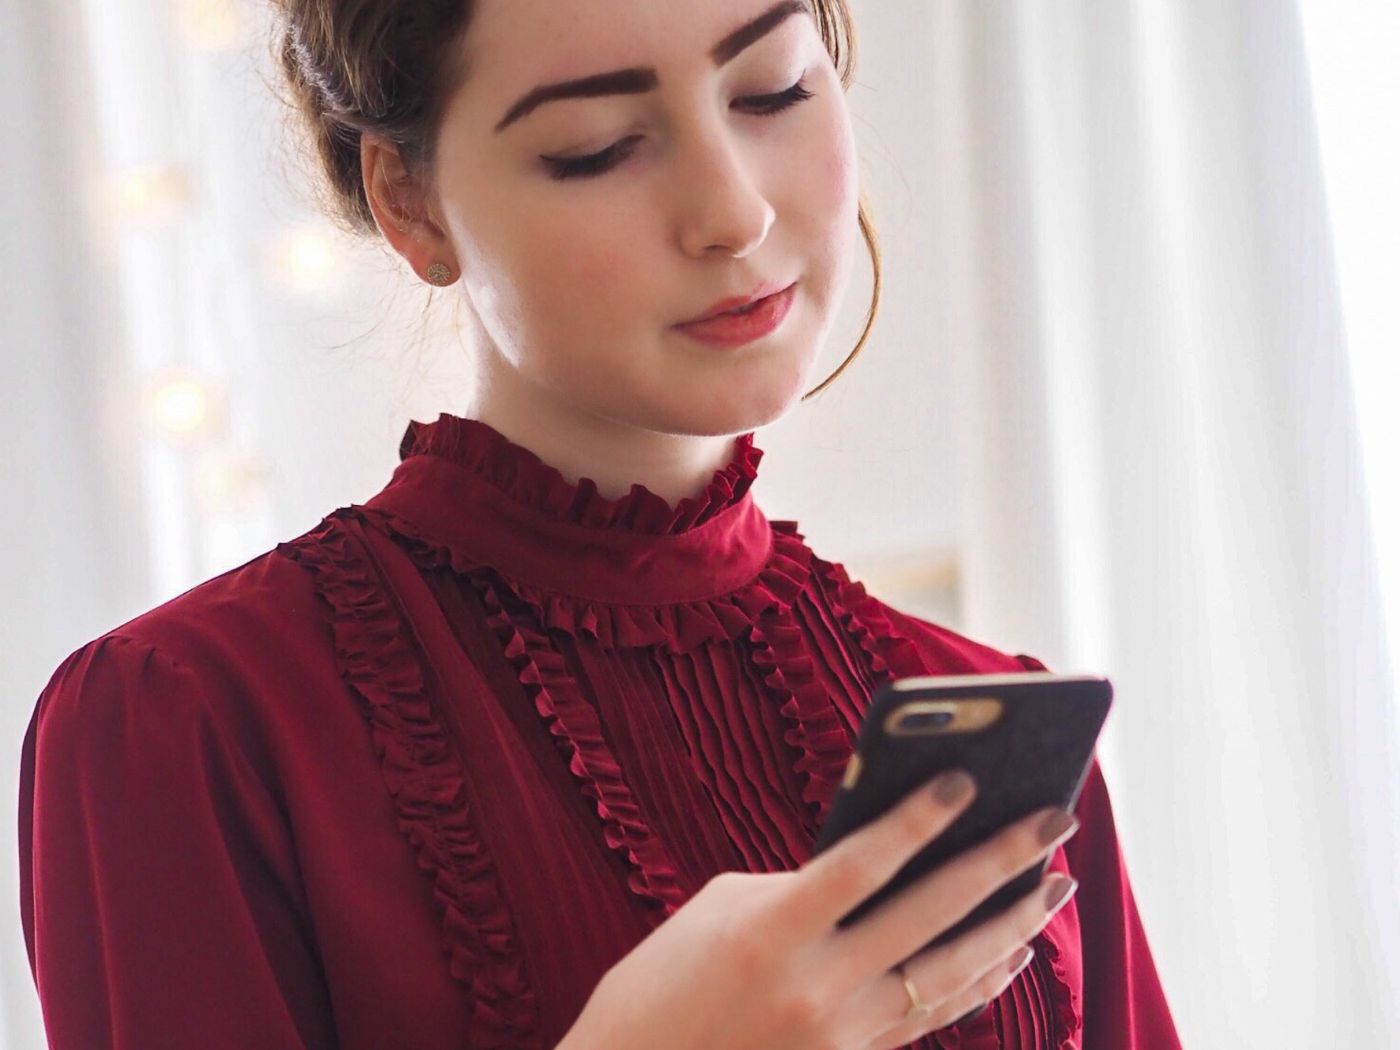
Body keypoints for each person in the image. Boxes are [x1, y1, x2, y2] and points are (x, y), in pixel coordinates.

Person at [17, 1, 1184, 1047]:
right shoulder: (185, 719)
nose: (732, 209)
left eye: (772, 87)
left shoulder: (994, 722)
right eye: (597, 148)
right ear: (408, 200)